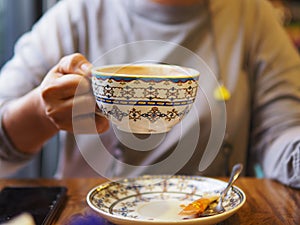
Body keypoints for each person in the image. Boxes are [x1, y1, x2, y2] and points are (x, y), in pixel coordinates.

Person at [0, 0, 299, 188]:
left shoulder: (251, 13)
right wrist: (42, 112)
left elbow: (283, 131)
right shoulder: (76, 13)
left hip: (208, 213)